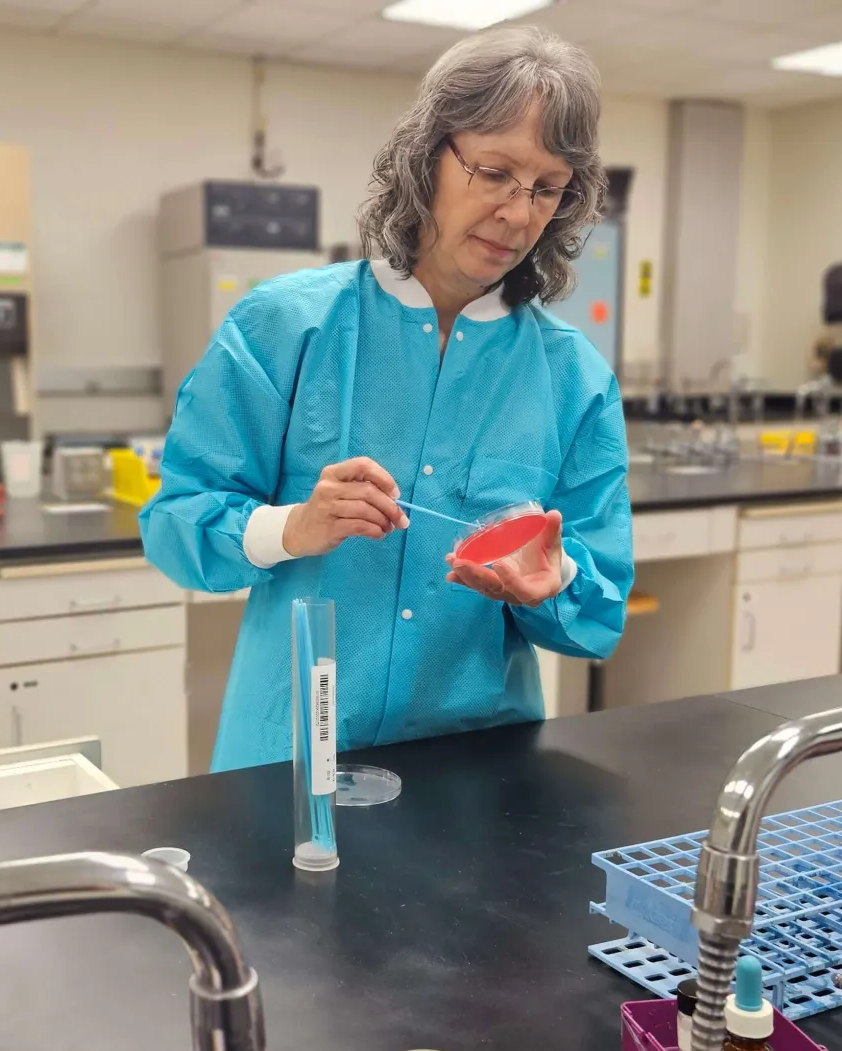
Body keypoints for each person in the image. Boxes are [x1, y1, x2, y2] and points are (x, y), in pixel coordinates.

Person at [140, 25, 633, 772]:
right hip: (293, 757)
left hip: (474, 774)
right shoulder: (285, 325)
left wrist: (554, 579)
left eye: (546, 188)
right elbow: (175, 524)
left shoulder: (576, 380)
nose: (518, 213)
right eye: (494, 172)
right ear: (426, 156)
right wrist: (293, 527)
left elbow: (599, 616)